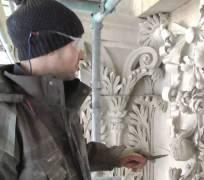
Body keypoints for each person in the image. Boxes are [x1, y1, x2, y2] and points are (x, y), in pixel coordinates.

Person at [0, 0, 147, 179]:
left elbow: (69, 153)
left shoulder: (57, 98)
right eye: (75, 45)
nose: (82, 55)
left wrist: (115, 157)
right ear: (47, 47)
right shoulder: (6, 114)